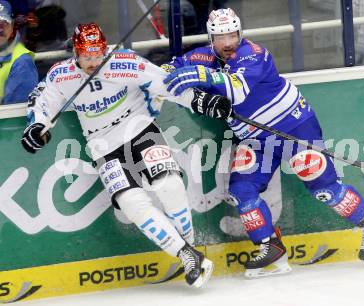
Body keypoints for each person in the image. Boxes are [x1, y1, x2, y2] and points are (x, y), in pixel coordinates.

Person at [162, 8, 364, 278]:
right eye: (220, 37)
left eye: (232, 35)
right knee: (242, 189)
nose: (227, 43)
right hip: (255, 138)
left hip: (293, 125)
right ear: (211, 38)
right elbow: (171, 68)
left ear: (240, 33)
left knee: (321, 183)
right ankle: (270, 246)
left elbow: (236, 88)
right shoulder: (203, 56)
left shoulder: (253, 54)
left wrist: (203, 77)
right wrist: (167, 72)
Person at [20, 22, 232, 288]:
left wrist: (200, 100)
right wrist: (37, 126)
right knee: (131, 203)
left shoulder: (124, 62)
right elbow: (43, 103)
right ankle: (187, 254)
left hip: (140, 129)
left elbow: (165, 84)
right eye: (87, 56)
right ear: (75, 51)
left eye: (98, 54)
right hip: (102, 146)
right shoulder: (60, 75)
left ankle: (188, 241)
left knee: (170, 185)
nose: (93, 62)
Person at [0, 0, 38, 104]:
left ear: (12, 26)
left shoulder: (22, 62)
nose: (0, 29)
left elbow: (16, 116)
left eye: (4, 23)